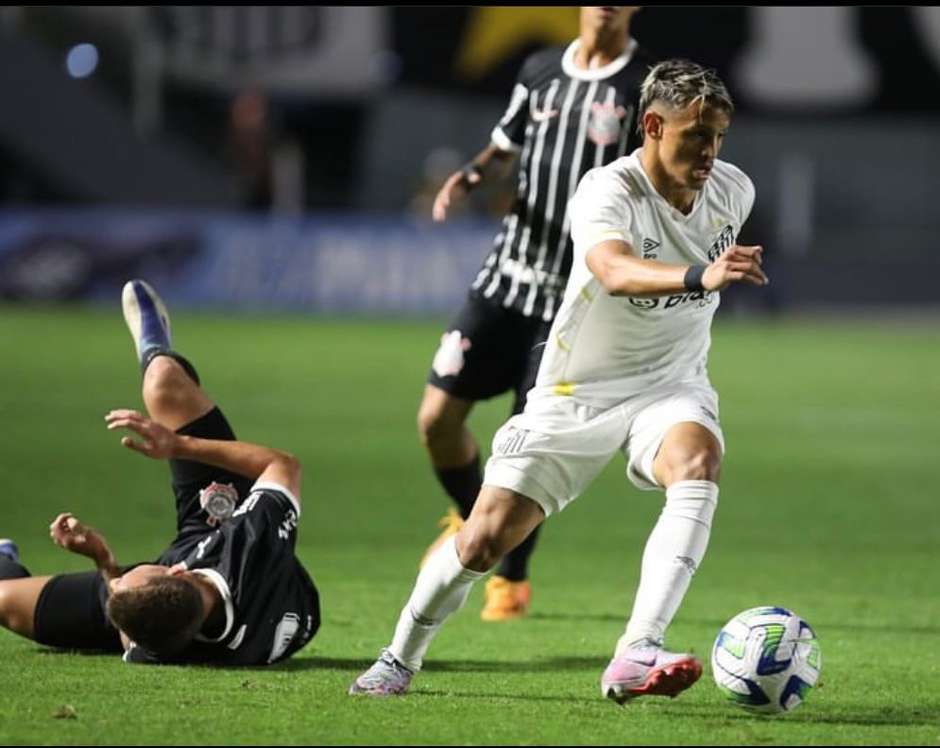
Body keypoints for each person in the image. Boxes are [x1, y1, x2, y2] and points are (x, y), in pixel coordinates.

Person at [351, 58, 768, 701]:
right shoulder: (608, 191)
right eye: (695, 136)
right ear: (652, 125)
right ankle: (399, 656)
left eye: (718, 137)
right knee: (483, 540)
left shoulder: (733, 192)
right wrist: (699, 276)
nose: (710, 152)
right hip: (577, 391)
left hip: (670, 383)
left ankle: (636, 650)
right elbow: (613, 270)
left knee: (698, 463)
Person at [419, 5, 655, 622]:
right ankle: (475, 521)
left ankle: (511, 580)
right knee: (437, 419)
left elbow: (657, 184)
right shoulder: (541, 68)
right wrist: (467, 178)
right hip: (505, 278)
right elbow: (504, 143)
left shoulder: (644, 87)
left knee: (528, 447)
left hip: (574, 302)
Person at [0, 280, 320, 665]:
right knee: (163, 383)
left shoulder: (162, 632)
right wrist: (178, 445)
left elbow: (128, 628)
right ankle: (155, 346)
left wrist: (105, 563)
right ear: (180, 573)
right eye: (126, 580)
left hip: (195, 597)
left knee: (4, 599)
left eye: (117, 587)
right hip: (229, 542)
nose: (118, 582)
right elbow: (284, 465)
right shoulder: (251, 543)